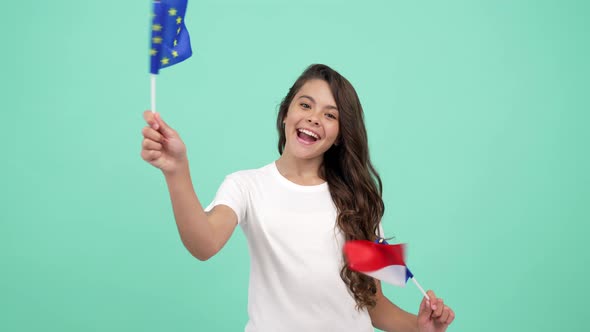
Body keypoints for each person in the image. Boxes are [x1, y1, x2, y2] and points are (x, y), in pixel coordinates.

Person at [140, 64, 455, 331]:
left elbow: (373, 305)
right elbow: (204, 244)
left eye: (330, 115)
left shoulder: (358, 200)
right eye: (305, 105)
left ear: (340, 136)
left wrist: (419, 325)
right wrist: (176, 170)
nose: (314, 117)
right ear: (286, 114)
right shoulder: (246, 185)